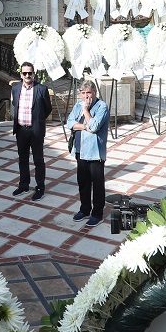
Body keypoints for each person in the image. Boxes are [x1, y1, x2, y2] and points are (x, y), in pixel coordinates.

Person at [67, 79, 109, 226]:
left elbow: (95, 125)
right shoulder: (78, 105)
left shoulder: (102, 106)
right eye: (83, 93)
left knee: (97, 184)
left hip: (95, 151)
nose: (86, 96)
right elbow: (69, 123)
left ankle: (97, 213)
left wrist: (85, 111)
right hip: (80, 150)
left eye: (89, 93)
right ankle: (84, 209)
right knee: (83, 182)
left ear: (94, 93)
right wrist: (84, 127)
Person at [11, 61, 53, 201]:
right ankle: (24, 185)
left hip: (35, 131)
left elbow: (48, 108)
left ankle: (40, 188)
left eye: (30, 73)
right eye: (25, 73)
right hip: (21, 130)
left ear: (34, 74)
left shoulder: (41, 89)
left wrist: (38, 120)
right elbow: (14, 105)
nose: (27, 75)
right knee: (22, 159)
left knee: (38, 160)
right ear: (21, 74)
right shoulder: (16, 89)